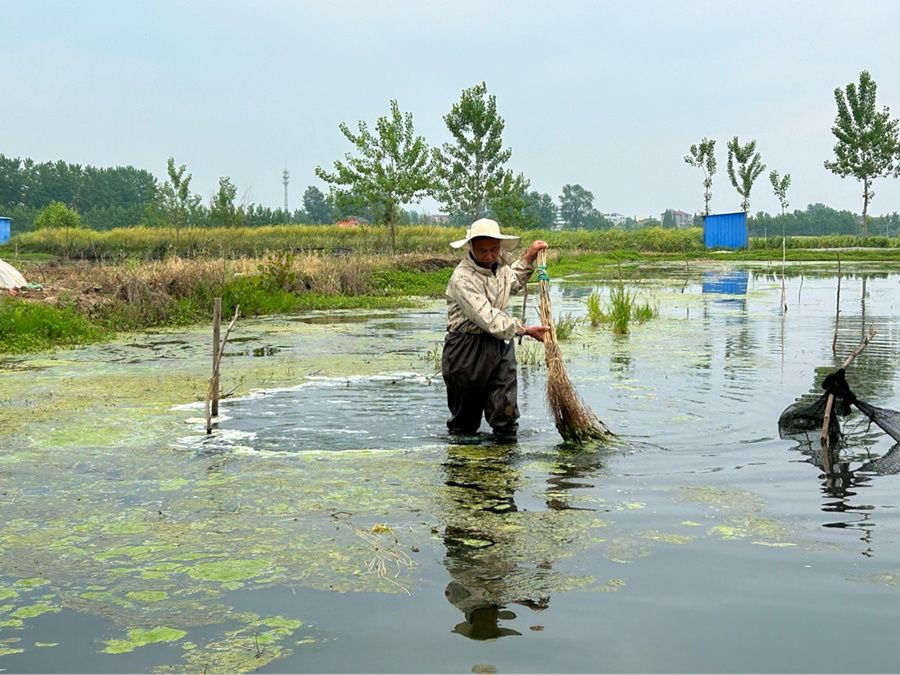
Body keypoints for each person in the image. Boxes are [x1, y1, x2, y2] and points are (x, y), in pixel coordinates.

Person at [441, 218, 549, 438]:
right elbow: (489, 319)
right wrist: (525, 330)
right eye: (483, 251)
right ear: (470, 247)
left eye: (494, 249)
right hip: (466, 350)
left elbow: (512, 281)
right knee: (465, 422)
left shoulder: (499, 268)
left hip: (500, 345)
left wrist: (529, 258)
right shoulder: (462, 278)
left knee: (505, 411)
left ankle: (504, 465)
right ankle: (464, 467)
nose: (489, 255)